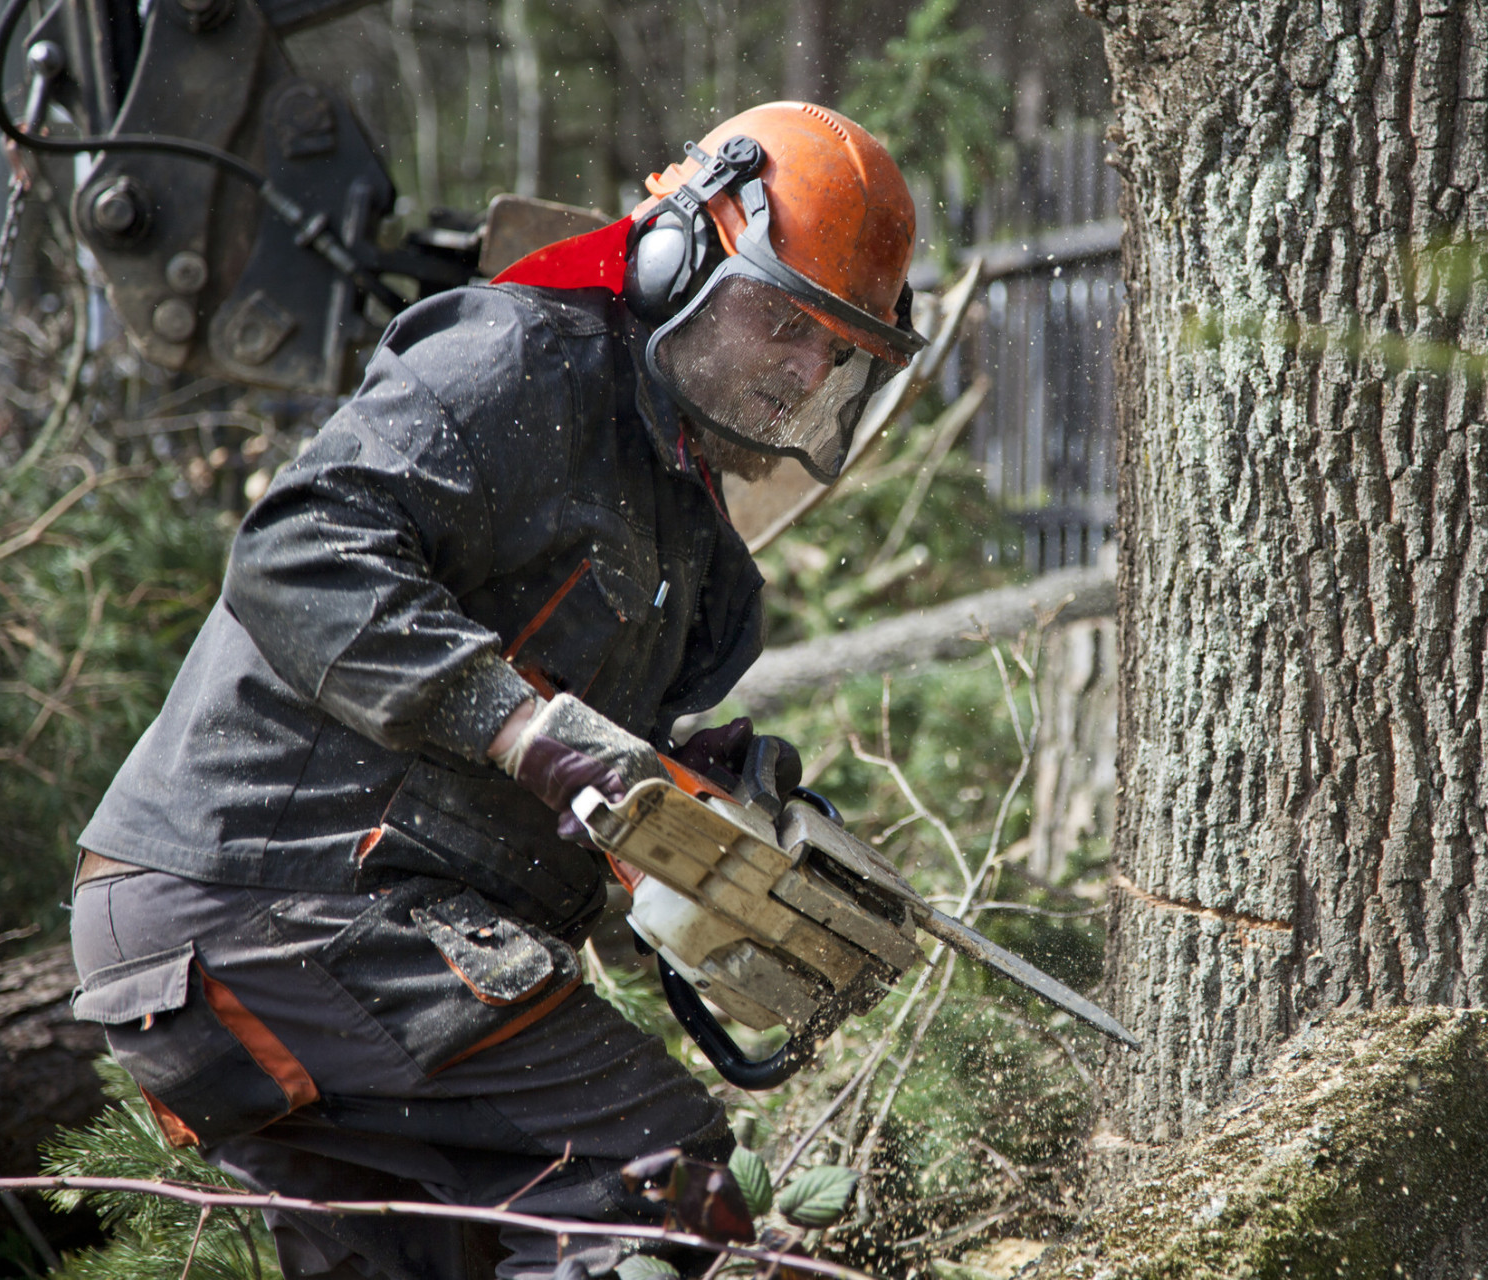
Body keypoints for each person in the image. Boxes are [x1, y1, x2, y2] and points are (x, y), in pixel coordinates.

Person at [64, 100, 923, 1280]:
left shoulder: (689, 528)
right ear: (680, 256)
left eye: (834, 349)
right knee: (654, 1176)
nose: (802, 368)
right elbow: (299, 548)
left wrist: (697, 799)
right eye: (782, 320)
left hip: (298, 937)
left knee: (449, 1256)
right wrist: (519, 724)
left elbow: (585, 766)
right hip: (269, 901)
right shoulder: (520, 359)